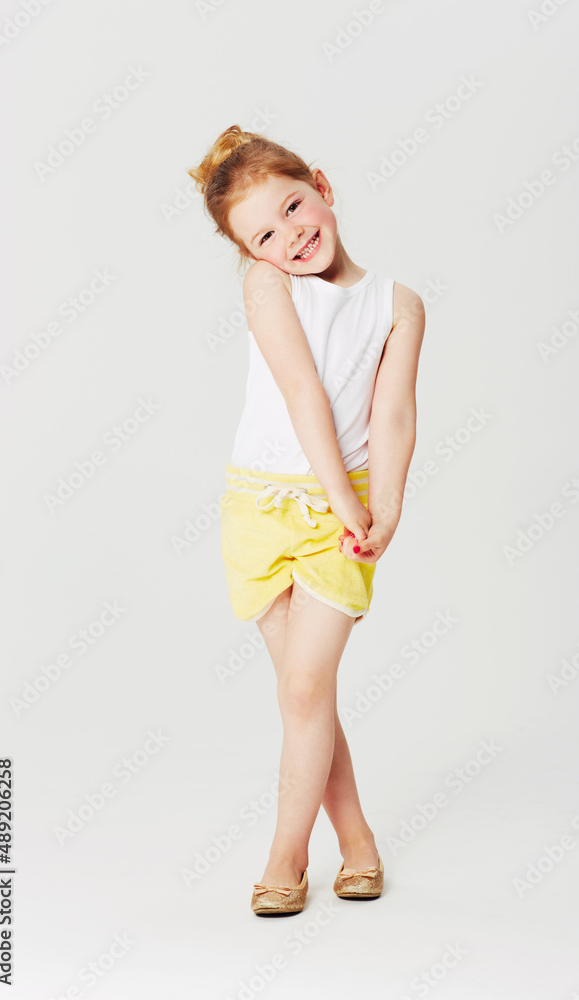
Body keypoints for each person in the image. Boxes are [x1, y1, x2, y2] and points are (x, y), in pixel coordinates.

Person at [187, 126, 425, 915]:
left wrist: (378, 507)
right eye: (263, 231)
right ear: (248, 248)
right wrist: (351, 499)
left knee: (301, 690)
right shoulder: (266, 284)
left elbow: (390, 413)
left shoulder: (398, 305)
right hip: (257, 504)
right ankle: (356, 842)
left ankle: (285, 858)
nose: (288, 233)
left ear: (321, 184)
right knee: (306, 695)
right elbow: (301, 394)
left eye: (293, 205)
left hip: (340, 514)